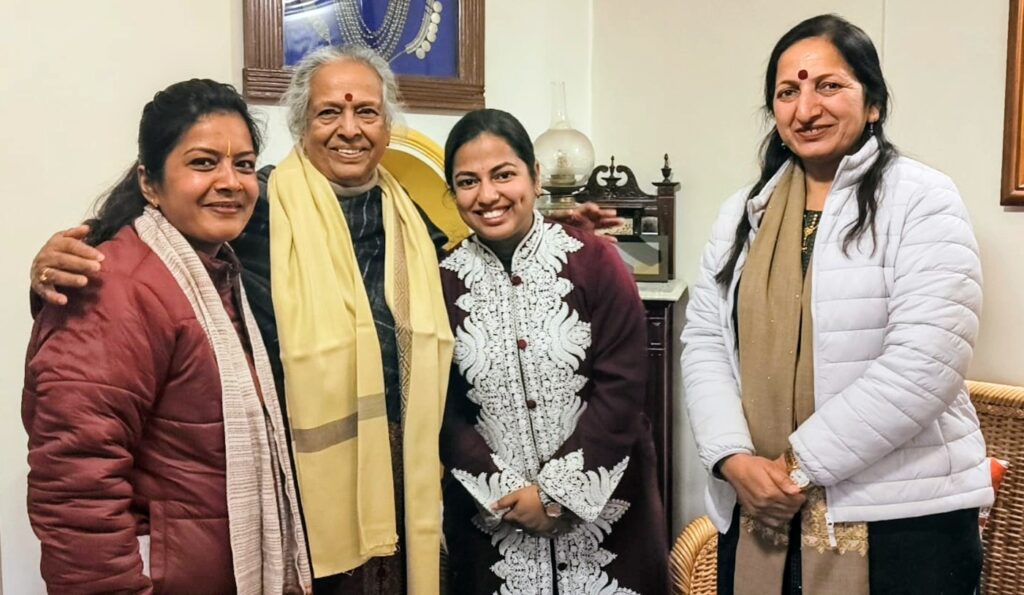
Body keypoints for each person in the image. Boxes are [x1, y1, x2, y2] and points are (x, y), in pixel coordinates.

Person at [27, 46, 620, 595]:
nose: (349, 128)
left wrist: (558, 231)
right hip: (304, 482)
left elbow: (481, 261)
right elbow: (153, 254)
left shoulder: (412, 219)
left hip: (408, 477)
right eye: (329, 112)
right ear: (301, 126)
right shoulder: (257, 207)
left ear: (387, 125)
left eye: (367, 111)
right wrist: (65, 259)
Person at [680, 14, 992, 595]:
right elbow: (706, 342)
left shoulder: (923, 199)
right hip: (757, 510)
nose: (806, 109)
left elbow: (925, 363)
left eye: (829, 86)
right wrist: (734, 460)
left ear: (873, 103)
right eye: (787, 92)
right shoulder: (742, 213)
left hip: (903, 520)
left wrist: (793, 469)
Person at [22, 79, 311, 594]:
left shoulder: (224, 271)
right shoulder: (114, 285)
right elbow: (76, 483)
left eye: (244, 165)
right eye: (203, 163)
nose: (230, 181)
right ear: (149, 183)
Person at [438, 108, 668, 594]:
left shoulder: (596, 261)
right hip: (494, 522)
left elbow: (623, 387)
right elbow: (443, 410)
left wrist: (556, 496)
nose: (488, 195)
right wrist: (506, 492)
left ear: (536, 176)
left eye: (504, 175)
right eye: (467, 182)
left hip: (607, 517)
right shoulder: (441, 281)